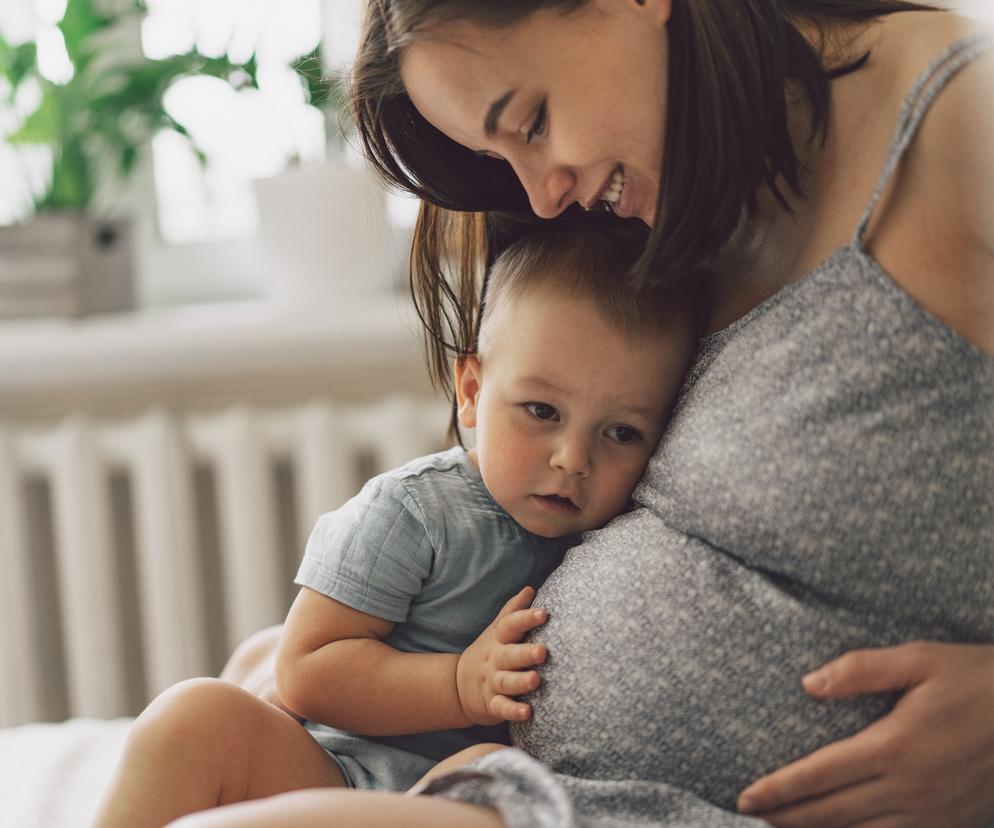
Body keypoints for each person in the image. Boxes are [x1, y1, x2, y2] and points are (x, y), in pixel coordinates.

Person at [128, 1, 994, 826]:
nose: (544, 199)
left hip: (662, 806)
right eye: (501, 158)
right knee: (207, 718)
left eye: (533, 121)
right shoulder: (683, 192)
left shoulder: (960, 121)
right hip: (510, 773)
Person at [90, 221, 702, 827]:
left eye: (622, 433)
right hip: (332, 770)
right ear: (471, 390)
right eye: (541, 411)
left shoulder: (623, 535)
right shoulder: (416, 512)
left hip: (454, 796)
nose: (574, 458)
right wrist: (457, 684)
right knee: (195, 716)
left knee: (491, 765)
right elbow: (308, 668)